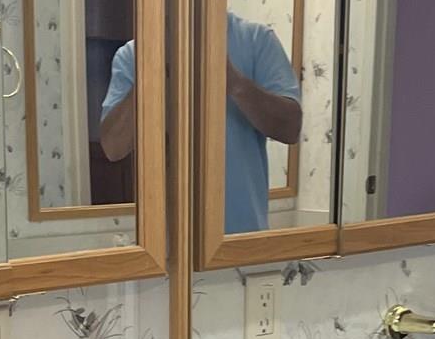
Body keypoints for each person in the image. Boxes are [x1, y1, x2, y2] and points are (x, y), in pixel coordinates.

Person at [99, 12, 302, 234]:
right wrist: (151, 70)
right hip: (164, 249)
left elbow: (290, 129)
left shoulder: (257, 40)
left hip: (243, 243)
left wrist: (234, 82)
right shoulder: (132, 56)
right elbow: (113, 148)